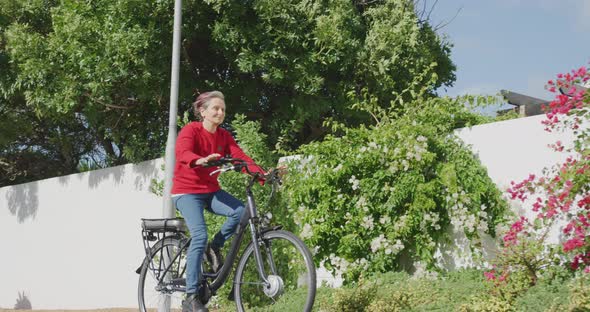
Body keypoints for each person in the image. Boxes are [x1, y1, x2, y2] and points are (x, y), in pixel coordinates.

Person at [171, 91, 265, 312]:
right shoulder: (191, 130)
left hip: (211, 190)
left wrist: (264, 174)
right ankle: (191, 297)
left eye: (223, 109)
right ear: (202, 111)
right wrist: (200, 159)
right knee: (199, 235)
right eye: (215, 108)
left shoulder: (223, 136)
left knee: (241, 212)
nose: (220, 112)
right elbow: (182, 152)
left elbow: (241, 158)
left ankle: (215, 247)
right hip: (186, 192)